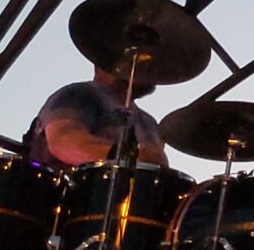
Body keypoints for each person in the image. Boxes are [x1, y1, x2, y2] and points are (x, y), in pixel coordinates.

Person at [24, 55, 167, 169]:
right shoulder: (81, 93)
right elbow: (63, 143)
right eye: (137, 60)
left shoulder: (149, 123)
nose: (148, 66)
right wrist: (133, 159)